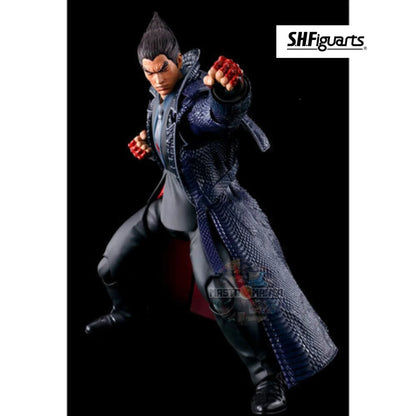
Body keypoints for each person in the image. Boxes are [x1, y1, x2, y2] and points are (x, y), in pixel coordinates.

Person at [85, 12, 338, 415]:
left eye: (162, 69)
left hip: (205, 213)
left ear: (178, 59)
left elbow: (216, 118)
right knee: (108, 264)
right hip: (165, 207)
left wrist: (229, 93)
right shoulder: (157, 99)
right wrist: (149, 146)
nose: (156, 79)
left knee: (223, 296)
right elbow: (171, 149)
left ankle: (265, 377)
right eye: (148, 72)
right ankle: (126, 313)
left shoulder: (195, 99)